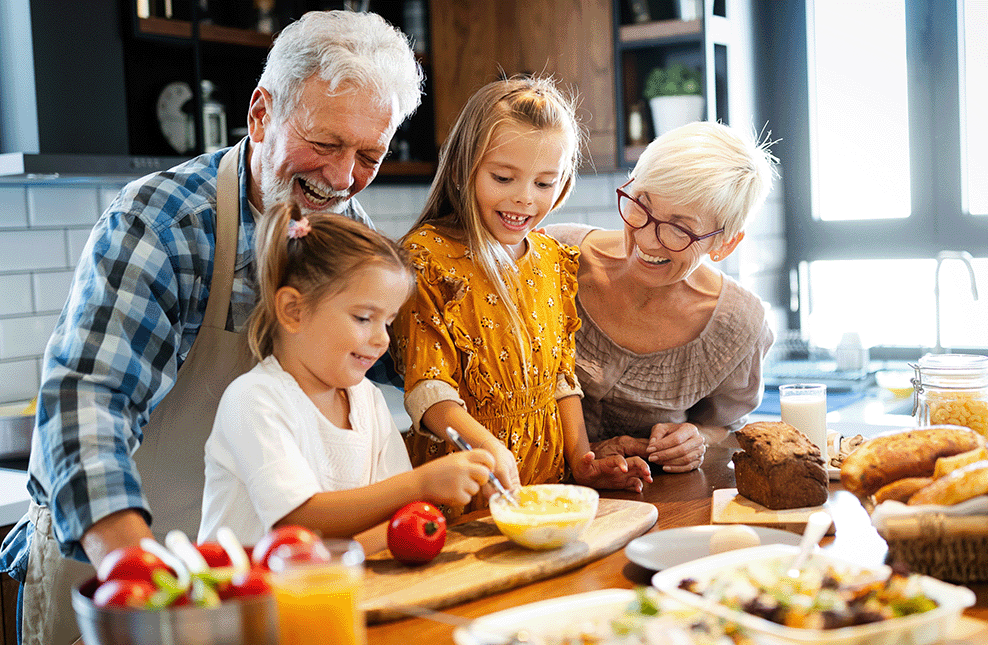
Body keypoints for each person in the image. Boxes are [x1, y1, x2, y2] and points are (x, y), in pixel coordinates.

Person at [0, 10, 422, 644]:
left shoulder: (352, 242)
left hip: (257, 585)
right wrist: (134, 572)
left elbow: (412, 362)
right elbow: (87, 400)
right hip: (119, 566)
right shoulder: (165, 221)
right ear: (260, 114)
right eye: (326, 143)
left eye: (369, 154)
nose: (342, 178)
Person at [391, 75, 652, 515]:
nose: (524, 199)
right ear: (462, 166)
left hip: (547, 490)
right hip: (466, 494)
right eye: (504, 177)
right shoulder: (428, 256)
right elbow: (429, 392)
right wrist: (492, 450)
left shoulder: (554, 259)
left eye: (544, 183)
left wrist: (581, 461)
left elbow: (559, 378)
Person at [199, 204, 494, 553]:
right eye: (363, 318)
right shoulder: (253, 399)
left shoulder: (366, 399)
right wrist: (423, 483)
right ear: (293, 310)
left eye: (388, 322)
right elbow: (296, 523)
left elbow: (384, 524)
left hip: (329, 589)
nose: (383, 339)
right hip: (246, 601)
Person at [545, 121, 777, 473]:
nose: (648, 240)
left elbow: (726, 427)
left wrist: (695, 438)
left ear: (724, 243)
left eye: (680, 228)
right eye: (642, 204)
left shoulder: (739, 325)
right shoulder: (553, 256)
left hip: (658, 510)